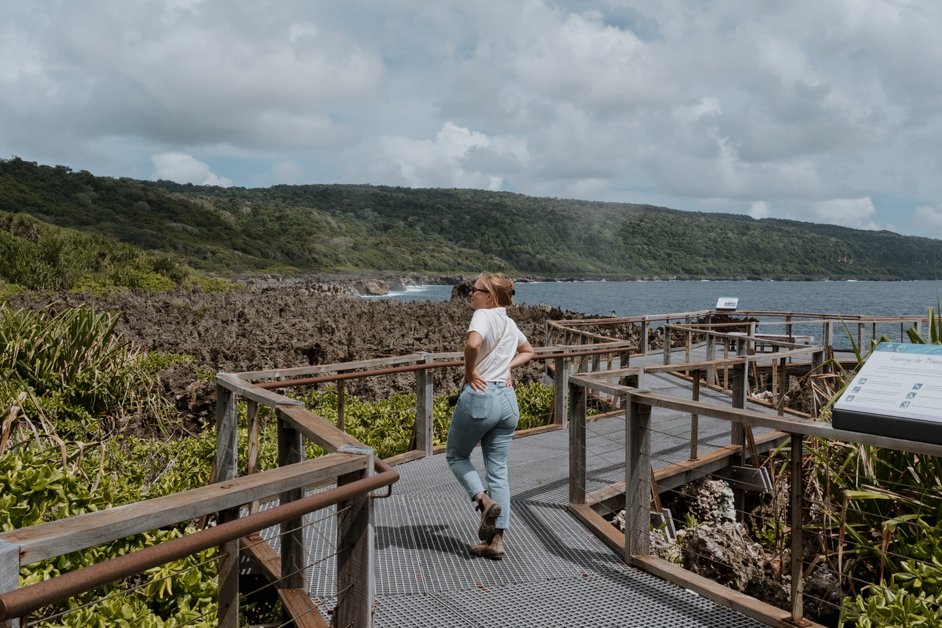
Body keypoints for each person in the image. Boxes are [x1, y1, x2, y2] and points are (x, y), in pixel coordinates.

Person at [446, 273, 534, 560]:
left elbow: (472, 345)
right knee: (498, 470)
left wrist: (471, 372)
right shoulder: (509, 322)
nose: (470, 293)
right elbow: (528, 351)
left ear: (490, 297)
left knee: (456, 456)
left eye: (476, 289)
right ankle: (496, 543)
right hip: (507, 401)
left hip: (481, 397)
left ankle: (482, 501)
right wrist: (508, 367)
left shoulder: (482, 316)